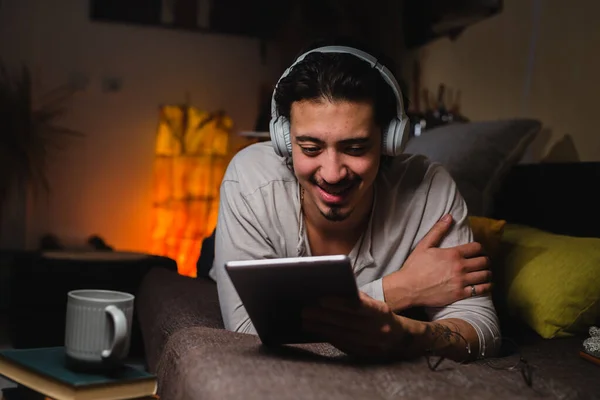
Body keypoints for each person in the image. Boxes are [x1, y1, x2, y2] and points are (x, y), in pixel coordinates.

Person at [210, 38, 500, 362]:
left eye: (356, 149)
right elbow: (247, 333)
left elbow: (483, 330)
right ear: (283, 140)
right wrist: (401, 289)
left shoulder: (431, 188)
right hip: (246, 239)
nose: (332, 174)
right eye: (310, 148)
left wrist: (407, 334)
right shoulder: (249, 179)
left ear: (391, 141)